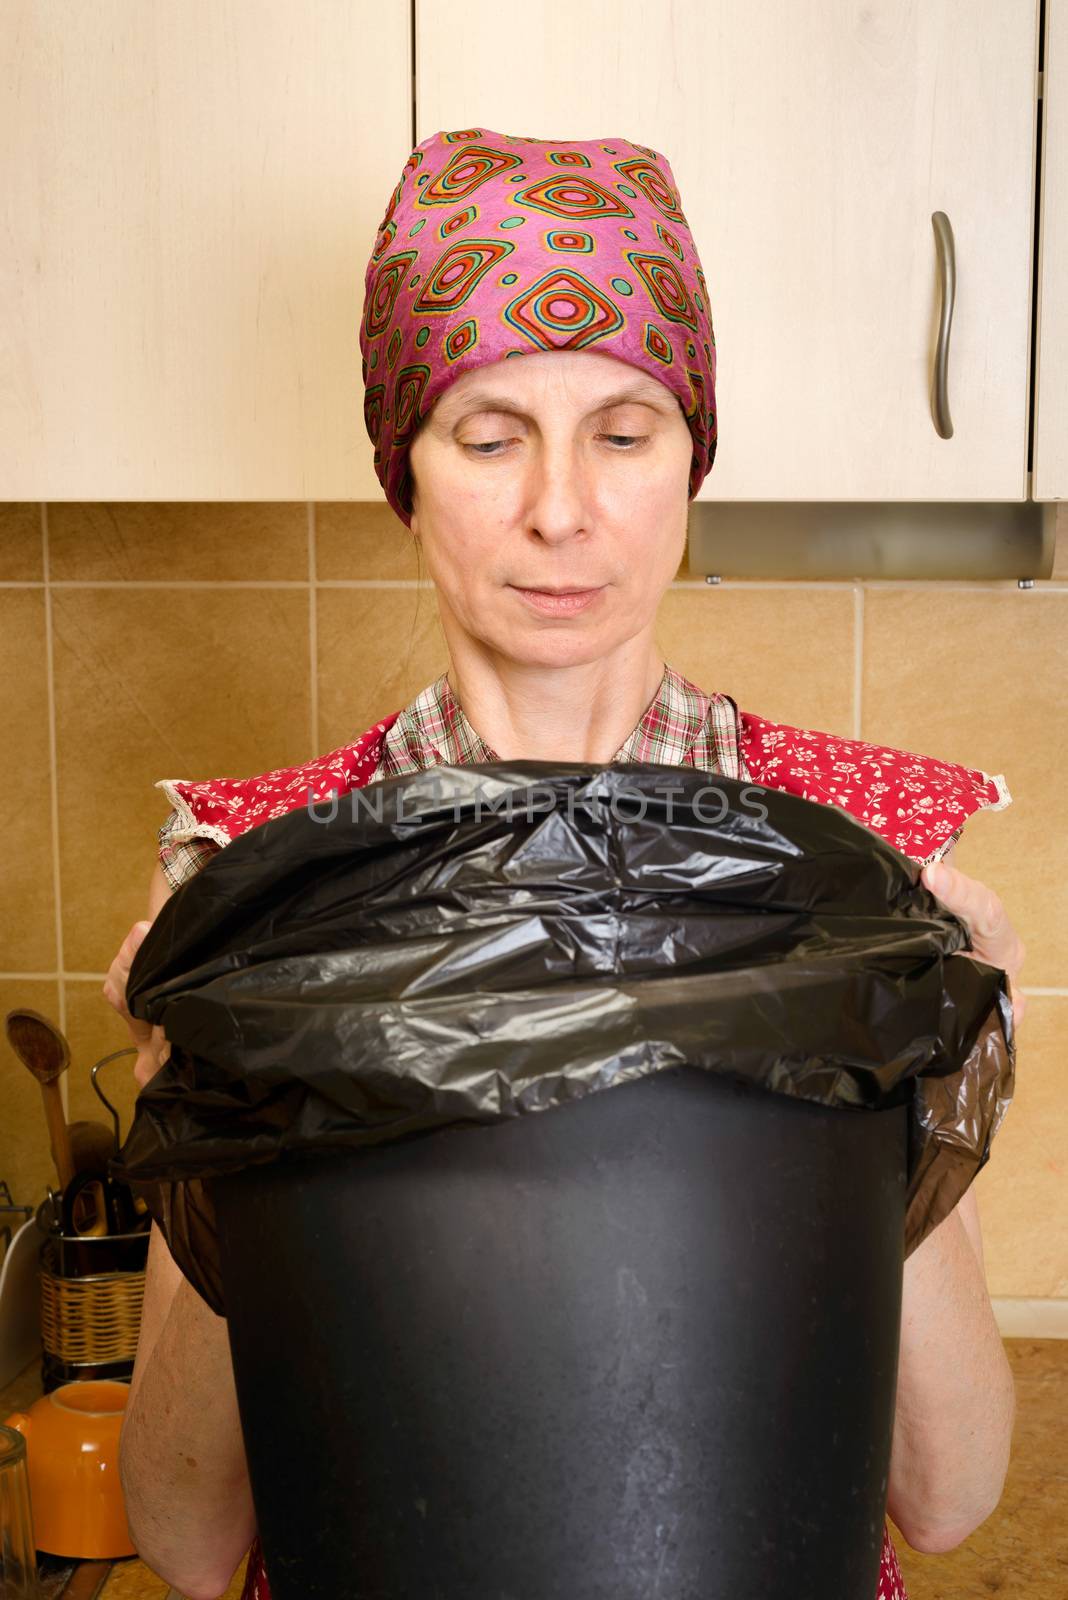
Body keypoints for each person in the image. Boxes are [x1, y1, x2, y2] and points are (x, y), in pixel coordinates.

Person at [108, 128, 1023, 1600]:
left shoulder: (860, 862)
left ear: (691, 462)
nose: (559, 509)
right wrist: (202, 1085)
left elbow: (948, 1489)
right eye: (487, 436)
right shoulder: (256, 877)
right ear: (403, 466)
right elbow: (193, 1536)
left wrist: (921, 1058)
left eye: (622, 432)